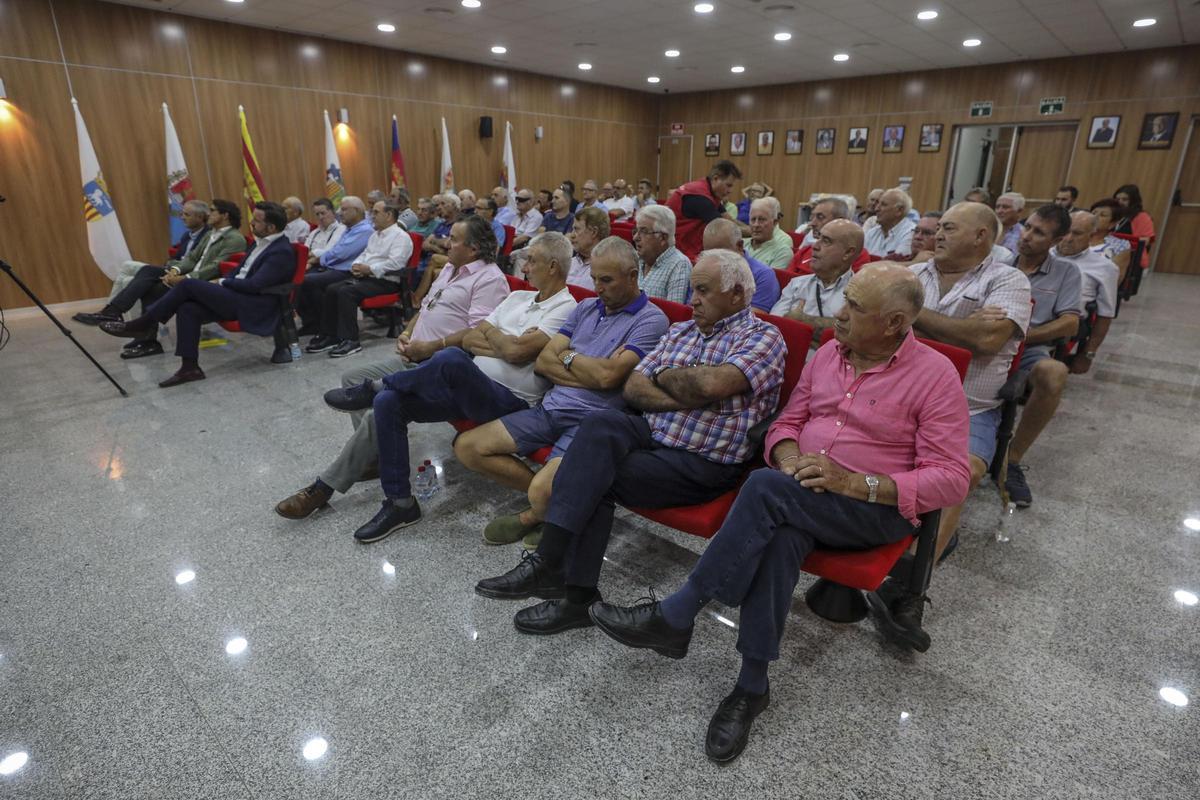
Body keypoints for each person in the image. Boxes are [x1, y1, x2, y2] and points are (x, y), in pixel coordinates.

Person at [588, 263, 970, 763]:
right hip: (804, 492)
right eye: (845, 300)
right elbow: (787, 421)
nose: (839, 313)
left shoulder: (933, 374)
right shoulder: (830, 354)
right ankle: (751, 687)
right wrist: (789, 457)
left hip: (873, 507)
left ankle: (678, 613)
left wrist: (854, 482)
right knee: (781, 532)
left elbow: (951, 476)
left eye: (855, 306)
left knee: (767, 491)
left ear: (896, 322)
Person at [475, 249, 786, 640]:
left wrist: (673, 378)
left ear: (738, 295)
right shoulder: (683, 330)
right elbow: (636, 386)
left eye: (704, 291)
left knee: (595, 476)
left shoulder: (762, 337)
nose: (693, 300)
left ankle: (566, 584)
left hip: (699, 460)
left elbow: (712, 385)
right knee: (599, 425)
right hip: (653, 433)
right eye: (693, 290)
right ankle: (555, 570)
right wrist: (686, 389)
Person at [298, 232, 578, 542]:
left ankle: (376, 386)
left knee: (452, 358)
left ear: (553, 267)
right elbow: (476, 334)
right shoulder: (518, 297)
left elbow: (513, 352)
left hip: (510, 401)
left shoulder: (566, 307)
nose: (524, 268)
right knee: (391, 402)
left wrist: (500, 341)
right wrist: (507, 341)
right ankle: (400, 503)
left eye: (532, 261)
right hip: (470, 386)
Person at [273, 220, 522, 528]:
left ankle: (322, 488)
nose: (445, 243)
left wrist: (430, 346)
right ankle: (373, 457)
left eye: (454, 239)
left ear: (473, 248)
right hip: (415, 355)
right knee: (352, 378)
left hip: (442, 367)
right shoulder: (450, 268)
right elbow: (427, 307)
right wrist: (406, 332)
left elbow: (477, 334)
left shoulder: (489, 279)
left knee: (379, 408)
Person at [454, 237, 670, 547]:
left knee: (541, 491)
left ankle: (534, 514)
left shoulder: (651, 319)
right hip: (550, 408)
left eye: (607, 280)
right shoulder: (585, 308)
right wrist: (587, 368)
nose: (598, 287)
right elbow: (544, 362)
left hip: (591, 423)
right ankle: (559, 505)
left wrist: (569, 358)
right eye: (594, 278)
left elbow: (609, 378)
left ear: (633, 275)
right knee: (468, 447)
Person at [908, 202, 1031, 567]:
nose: (938, 234)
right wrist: (965, 326)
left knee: (965, 471)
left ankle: (909, 581)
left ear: (981, 236)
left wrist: (911, 315)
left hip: (968, 407)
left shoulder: (1008, 280)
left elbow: (986, 342)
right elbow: (879, 324)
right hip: (900, 395)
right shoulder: (913, 273)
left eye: (949, 228)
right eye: (938, 227)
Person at [99, 201, 298, 387]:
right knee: (189, 309)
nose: (252, 223)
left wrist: (222, 282)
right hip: (237, 295)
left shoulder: (280, 251)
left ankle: (144, 324)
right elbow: (240, 271)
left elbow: (255, 285)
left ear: (271, 228)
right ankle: (190, 368)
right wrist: (225, 283)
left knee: (188, 285)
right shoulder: (259, 242)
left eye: (257, 220)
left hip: (254, 304)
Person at [74, 200, 247, 359]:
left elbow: (216, 267)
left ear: (225, 215)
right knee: (148, 273)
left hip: (204, 283)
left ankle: (137, 332)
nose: (209, 214)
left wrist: (184, 278)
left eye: (213, 211)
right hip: (189, 276)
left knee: (151, 287)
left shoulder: (234, 239)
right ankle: (121, 319)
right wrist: (174, 270)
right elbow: (192, 259)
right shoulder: (212, 235)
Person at [1000, 205, 1080, 508]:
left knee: (1055, 372)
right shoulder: (999, 264)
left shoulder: (1066, 272)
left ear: (1056, 240)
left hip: (1028, 348)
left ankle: (1013, 460)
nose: (1028, 236)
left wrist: (1021, 334)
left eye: (1039, 233)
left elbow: (1071, 321)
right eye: (1028, 227)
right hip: (986, 344)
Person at [73, 200, 211, 326]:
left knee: (138, 277)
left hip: (185, 276)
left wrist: (173, 269)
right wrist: (171, 266)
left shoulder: (209, 236)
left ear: (199, 217)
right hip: (173, 269)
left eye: (186, 214)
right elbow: (179, 258)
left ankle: (113, 313)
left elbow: (197, 262)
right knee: (130, 275)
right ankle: (112, 312)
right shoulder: (187, 235)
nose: (182, 217)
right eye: (181, 213)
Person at [304, 202, 415, 358]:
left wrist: (369, 269)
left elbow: (396, 263)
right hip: (367, 277)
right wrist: (356, 265)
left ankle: (351, 340)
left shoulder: (400, 236)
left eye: (376, 212)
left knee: (346, 292)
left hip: (387, 281)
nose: (372, 216)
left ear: (389, 215)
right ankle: (331, 335)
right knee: (332, 289)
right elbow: (365, 255)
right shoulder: (375, 235)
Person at [771, 218, 863, 342]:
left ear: (847, 252)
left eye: (826, 241)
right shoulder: (796, 284)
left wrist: (803, 321)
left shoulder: (862, 293)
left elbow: (853, 333)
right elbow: (774, 325)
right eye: (818, 237)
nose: (815, 246)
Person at [295, 196, 373, 335]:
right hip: (335, 267)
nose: (339, 212)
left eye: (343, 209)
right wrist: (318, 258)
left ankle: (323, 327)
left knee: (306, 281)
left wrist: (317, 259)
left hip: (348, 271)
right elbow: (333, 251)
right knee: (305, 281)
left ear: (356, 211)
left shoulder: (364, 230)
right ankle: (318, 324)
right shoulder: (350, 229)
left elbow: (339, 254)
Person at [1053, 211, 1118, 375]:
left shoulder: (1105, 267)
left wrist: (1088, 354)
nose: (1068, 238)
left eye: (1077, 233)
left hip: (1066, 322)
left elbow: (1106, 314)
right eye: (1066, 231)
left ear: (1092, 235)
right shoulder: (1044, 254)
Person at [664, 160, 742, 260]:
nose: (730, 191)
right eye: (728, 185)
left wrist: (750, 228)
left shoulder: (709, 193)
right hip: (677, 254)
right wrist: (753, 231)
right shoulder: (700, 198)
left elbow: (729, 219)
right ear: (716, 178)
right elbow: (725, 229)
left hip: (683, 250)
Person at [701, 218, 780, 312]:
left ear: (739, 246)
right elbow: (692, 308)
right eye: (708, 254)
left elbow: (754, 319)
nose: (713, 261)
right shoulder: (702, 269)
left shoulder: (763, 275)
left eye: (720, 254)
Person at [633, 205, 693, 303]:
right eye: (636, 231)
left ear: (663, 238)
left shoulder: (679, 265)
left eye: (644, 231)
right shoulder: (634, 259)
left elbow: (674, 315)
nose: (635, 238)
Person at [862, 189, 916, 258]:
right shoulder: (872, 233)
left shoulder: (910, 233)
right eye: (878, 203)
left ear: (899, 210)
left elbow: (895, 265)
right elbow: (860, 260)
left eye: (883, 205)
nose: (876, 209)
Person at [1087, 198, 1132, 280]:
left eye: (1102, 215)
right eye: (1093, 213)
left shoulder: (1120, 246)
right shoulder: (1074, 236)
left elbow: (1115, 279)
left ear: (1112, 223)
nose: (1095, 217)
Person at [743, 197, 793, 269]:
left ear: (775, 223)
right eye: (753, 219)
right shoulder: (740, 244)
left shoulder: (783, 252)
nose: (756, 225)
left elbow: (767, 279)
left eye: (762, 220)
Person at [1112, 184, 1154, 269]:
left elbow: (1145, 241)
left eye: (1124, 199)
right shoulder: (1113, 215)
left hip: (1130, 257)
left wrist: (1121, 244)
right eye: (1117, 199)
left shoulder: (1142, 216)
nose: (1119, 202)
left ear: (1133, 201)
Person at [568, 207, 610, 288]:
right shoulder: (568, 263)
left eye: (576, 229)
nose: (572, 235)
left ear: (593, 232)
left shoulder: (608, 269)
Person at [304, 198, 346, 266]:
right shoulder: (314, 233)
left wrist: (309, 261)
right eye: (317, 214)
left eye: (323, 213)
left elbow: (328, 252)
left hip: (328, 267)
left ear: (333, 212)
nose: (320, 217)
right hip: (309, 265)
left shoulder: (341, 229)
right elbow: (304, 252)